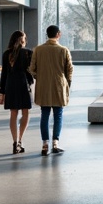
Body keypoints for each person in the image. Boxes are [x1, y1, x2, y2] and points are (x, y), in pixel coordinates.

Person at [28, 24, 73, 156]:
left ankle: (44, 144)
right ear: (58, 34)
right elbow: (69, 70)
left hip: (44, 87)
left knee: (44, 115)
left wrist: (40, 77)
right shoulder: (64, 50)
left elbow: (32, 69)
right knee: (58, 115)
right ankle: (55, 143)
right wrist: (67, 83)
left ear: (47, 34)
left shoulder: (38, 50)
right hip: (59, 86)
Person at [0, 30, 34, 153]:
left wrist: (2, 91)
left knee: (13, 114)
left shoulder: (6, 54)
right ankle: (20, 140)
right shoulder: (28, 53)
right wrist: (31, 81)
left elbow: (4, 74)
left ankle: (14, 141)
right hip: (23, 84)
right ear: (22, 40)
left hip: (10, 85)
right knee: (25, 113)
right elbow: (31, 71)